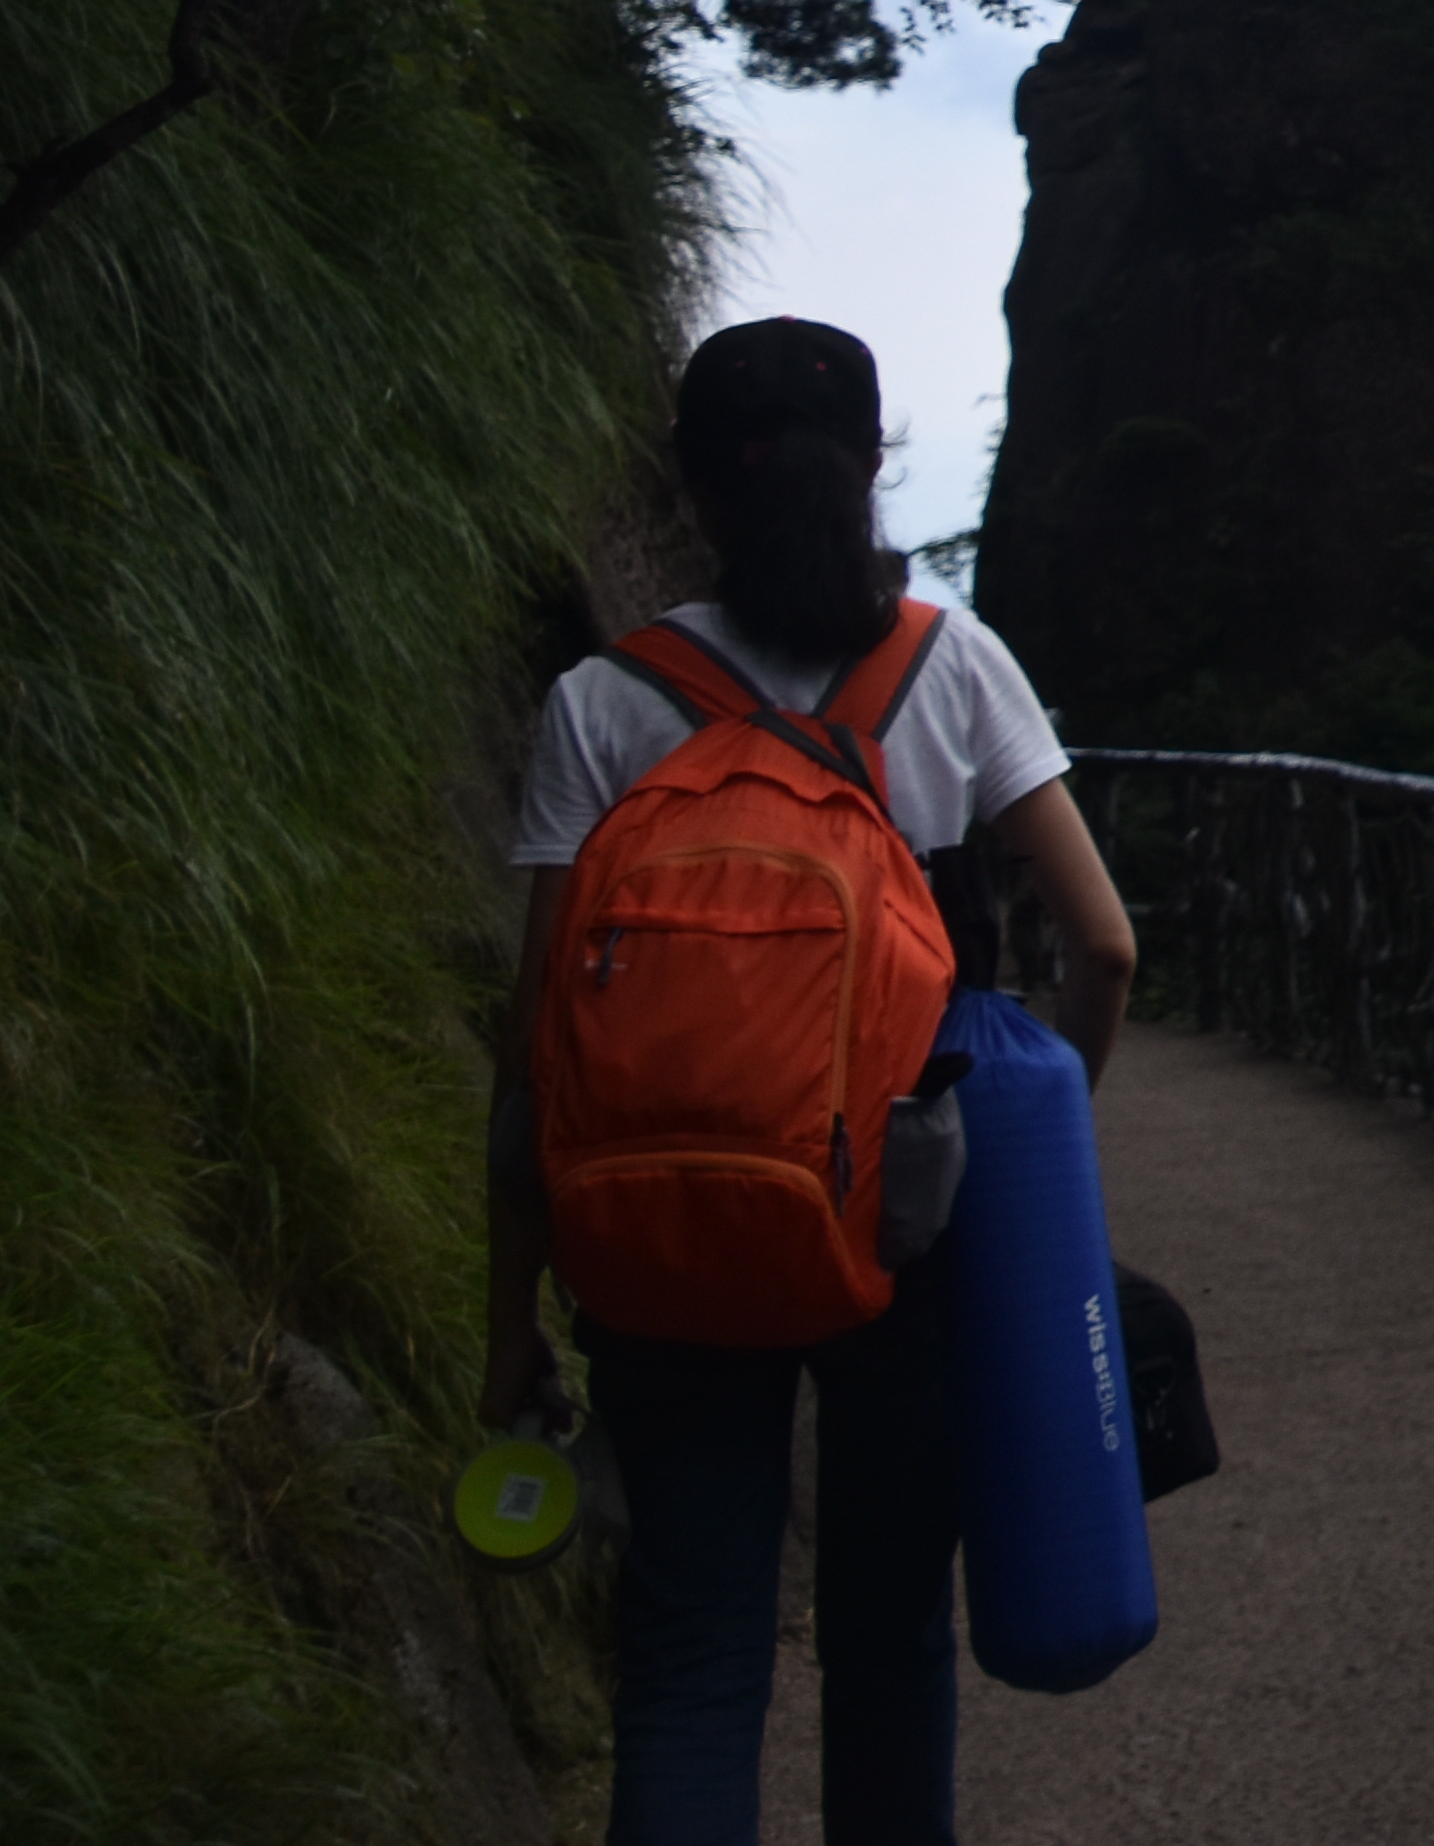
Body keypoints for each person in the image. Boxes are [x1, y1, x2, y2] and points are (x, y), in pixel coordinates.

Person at [485, 320, 1141, 1846]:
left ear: (692, 484)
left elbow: (535, 1050)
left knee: (693, 1659)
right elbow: (1102, 948)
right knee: (886, 1638)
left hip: (650, 1239)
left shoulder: (605, 701)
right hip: (905, 1230)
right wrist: (1024, 1176)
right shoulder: (947, 663)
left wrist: (507, 1315)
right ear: (874, 467)